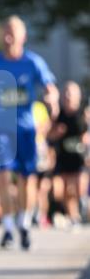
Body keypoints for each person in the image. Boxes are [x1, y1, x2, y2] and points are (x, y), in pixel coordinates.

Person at [0, 16, 57, 250]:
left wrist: (52, 102)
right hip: (1, 130)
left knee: (27, 179)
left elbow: (50, 87)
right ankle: (8, 226)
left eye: (13, 31)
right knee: (3, 176)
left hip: (26, 130)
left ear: (23, 36)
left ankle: (24, 222)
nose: (8, 36)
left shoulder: (33, 62)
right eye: (5, 31)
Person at [49, 81, 88, 227]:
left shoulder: (84, 113)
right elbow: (49, 136)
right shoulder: (59, 115)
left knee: (79, 188)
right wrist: (56, 132)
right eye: (65, 93)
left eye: (71, 94)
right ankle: (73, 217)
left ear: (78, 96)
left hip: (80, 158)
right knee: (62, 191)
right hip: (63, 158)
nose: (68, 97)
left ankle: (82, 205)